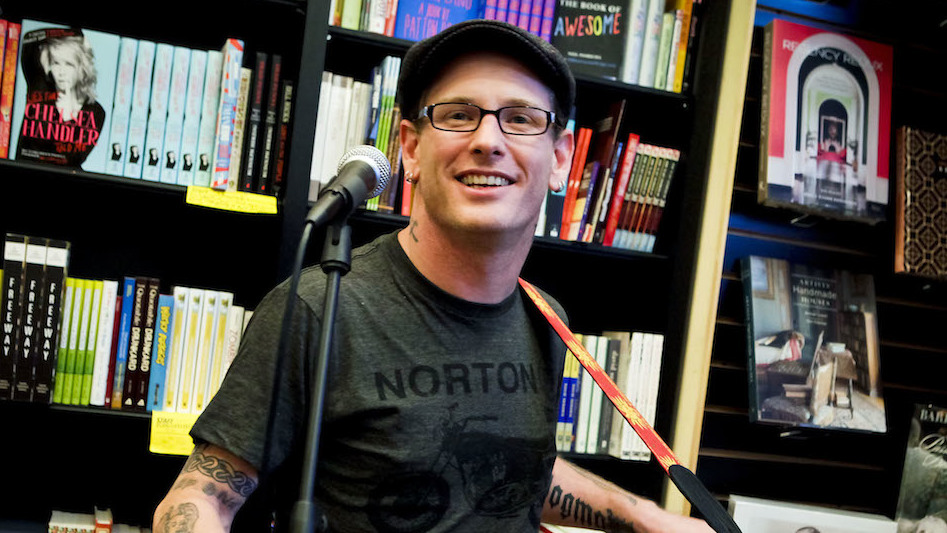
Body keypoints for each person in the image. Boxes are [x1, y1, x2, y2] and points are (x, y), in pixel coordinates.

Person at [153, 20, 713, 533]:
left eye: (520, 118)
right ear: (411, 149)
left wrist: (647, 519)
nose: (488, 141)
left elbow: (512, 476)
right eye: (458, 115)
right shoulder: (320, 308)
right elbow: (203, 498)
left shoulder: (546, 316)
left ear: (561, 158)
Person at [15, 27, 105, 168]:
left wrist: (69, 114)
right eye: (56, 63)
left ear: (81, 68)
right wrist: (72, 33)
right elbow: (29, 40)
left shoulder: (96, 111)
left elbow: (74, 159)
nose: (61, 72)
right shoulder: (39, 88)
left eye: (69, 64)